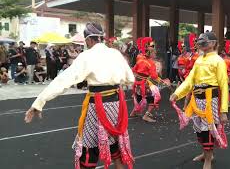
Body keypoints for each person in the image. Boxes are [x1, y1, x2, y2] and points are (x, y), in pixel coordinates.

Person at [24, 22, 135, 169]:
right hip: (116, 105)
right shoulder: (115, 53)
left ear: (88, 39)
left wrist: (39, 102)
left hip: (98, 106)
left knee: (88, 149)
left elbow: (63, 80)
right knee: (115, 146)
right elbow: (130, 79)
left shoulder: (87, 56)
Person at [170, 32, 229, 169]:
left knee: (208, 130)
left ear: (213, 43)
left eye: (205, 41)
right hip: (197, 100)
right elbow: (190, 80)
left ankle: (208, 160)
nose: (201, 44)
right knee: (199, 130)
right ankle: (206, 154)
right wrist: (177, 93)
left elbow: (224, 85)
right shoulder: (198, 60)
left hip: (210, 100)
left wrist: (223, 110)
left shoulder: (218, 61)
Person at [130, 37, 170, 122]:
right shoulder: (151, 63)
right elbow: (154, 76)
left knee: (139, 96)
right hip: (144, 84)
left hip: (137, 83)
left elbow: (134, 69)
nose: (155, 54)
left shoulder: (139, 57)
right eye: (154, 53)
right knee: (154, 97)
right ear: (150, 53)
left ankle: (133, 112)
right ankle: (146, 115)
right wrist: (162, 80)